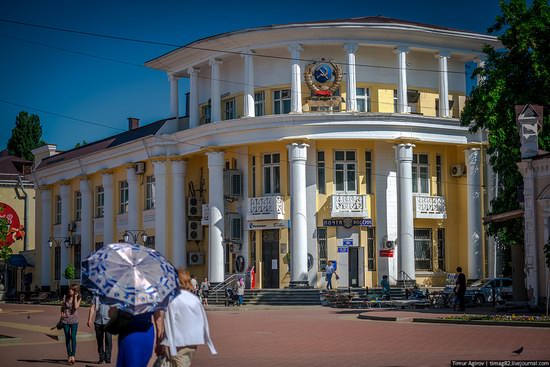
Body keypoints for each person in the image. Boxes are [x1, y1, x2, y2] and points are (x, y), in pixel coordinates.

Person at [155, 269, 217, 367]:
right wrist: (206, 339)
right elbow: (202, 320)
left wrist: (164, 343)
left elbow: (169, 323)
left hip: (177, 343)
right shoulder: (194, 299)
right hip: (193, 341)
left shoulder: (173, 299)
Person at [87, 295, 112, 364]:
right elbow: (92, 307)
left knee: (108, 341)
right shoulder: (96, 296)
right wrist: (89, 319)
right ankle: (101, 357)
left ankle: (107, 358)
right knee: (99, 341)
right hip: (98, 322)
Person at [60, 284, 81, 365]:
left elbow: (75, 307)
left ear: (75, 291)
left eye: (72, 289)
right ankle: (69, 356)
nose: (70, 290)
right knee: (67, 337)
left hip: (74, 321)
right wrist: (62, 313)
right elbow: (62, 307)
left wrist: (75, 297)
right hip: (65, 320)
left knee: (73, 336)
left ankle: (73, 355)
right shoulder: (65, 297)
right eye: (70, 289)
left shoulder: (79, 298)